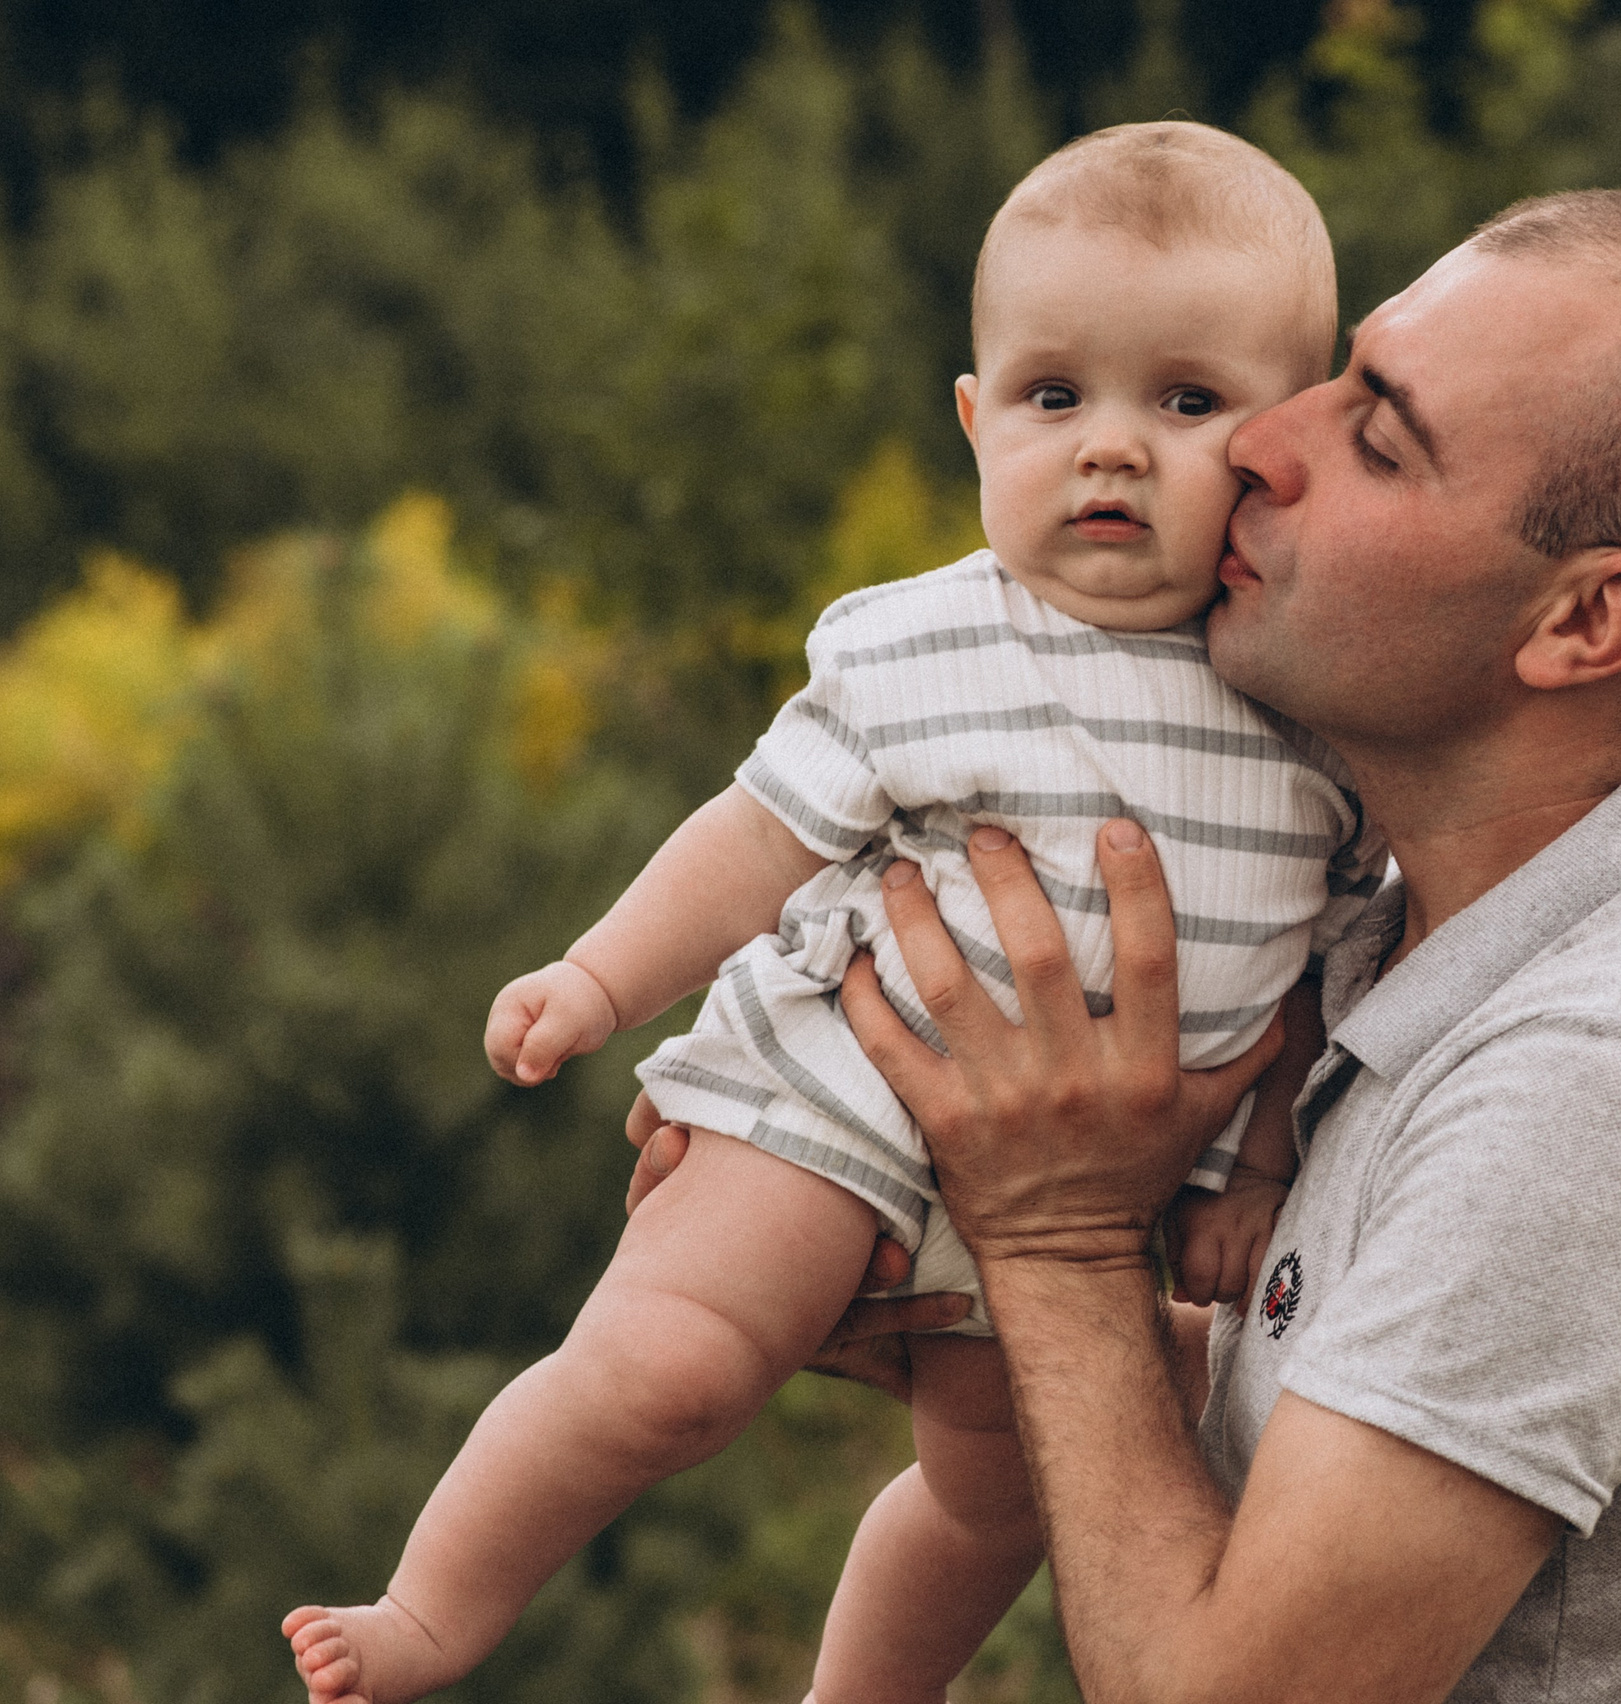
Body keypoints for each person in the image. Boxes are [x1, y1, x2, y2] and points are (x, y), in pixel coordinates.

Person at [681, 187, 1621, 1701]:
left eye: (1379, 437)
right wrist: (921, 1236)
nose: (1260, 441)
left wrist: (1056, 1244)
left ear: (1586, 621)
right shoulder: (1404, 922)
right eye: (1339, 374)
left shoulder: (1608, 1076)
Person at [282, 122, 1380, 1704]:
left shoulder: (1316, 707)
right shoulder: (921, 645)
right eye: (1054, 397)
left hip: (1104, 1190)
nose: (1112, 449)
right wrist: (602, 978)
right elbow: (758, 837)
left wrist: (1259, 1163)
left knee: (998, 1502)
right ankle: (429, 1613)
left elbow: (1318, 972)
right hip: (840, 1094)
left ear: (1283, 440)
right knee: (666, 1372)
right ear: (975, 418)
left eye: (1187, 402)